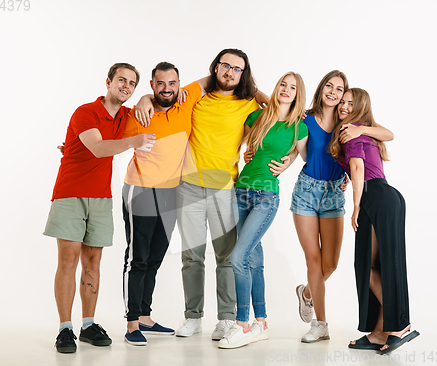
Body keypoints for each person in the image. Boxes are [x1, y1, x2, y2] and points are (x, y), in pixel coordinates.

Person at [44, 63, 155, 354]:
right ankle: (65, 328)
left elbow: (159, 104)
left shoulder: (129, 115)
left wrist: (145, 99)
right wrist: (134, 142)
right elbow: (98, 148)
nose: (126, 86)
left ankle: (88, 325)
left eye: (132, 84)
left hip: (101, 197)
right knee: (68, 261)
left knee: (93, 262)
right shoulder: (86, 112)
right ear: (108, 82)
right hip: (70, 194)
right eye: (121, 80)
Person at [174, 49, 279, 340]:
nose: (230, 72)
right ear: (216, 67)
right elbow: (171, 96)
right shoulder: (198, 96)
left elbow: (280, 115)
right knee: (192, 256)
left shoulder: (247, 104)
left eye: (238, 69)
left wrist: (255, 91)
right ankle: (193, 317)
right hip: (189, 186)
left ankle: (226, 318)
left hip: (225, 188)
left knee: (226, 257)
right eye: (226, 66)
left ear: (244, 74)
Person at [291, 70, 394, 343]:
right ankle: (320, 325)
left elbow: (386, 133)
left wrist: (362, 129)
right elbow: (289, 146)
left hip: (334, 194)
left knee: (331, 263)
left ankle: (308, 293)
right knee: (313, 261)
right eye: (329, 86)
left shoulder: (347, 123)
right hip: (306, 192)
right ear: (321, 88)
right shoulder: (305, 119)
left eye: (340, 89)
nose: (334, 92)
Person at [218, 72, 309, 349]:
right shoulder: (257, 117)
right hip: (240, 191)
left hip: (266, 196)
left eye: (292, 87)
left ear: (297, 94)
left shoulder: (299, 128)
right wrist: (246, 153)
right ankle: (262, 321)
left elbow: (308, 158)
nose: (286, 89)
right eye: (283, 84)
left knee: (238, 256)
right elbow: (241, 148)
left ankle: (242, 324)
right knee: (254, 260)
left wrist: (289, 160)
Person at [329, 88, 419, 354]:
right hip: (383, 195)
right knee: (374, 264)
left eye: (350, 103)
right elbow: (358, 164)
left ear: (360, 107)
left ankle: (400, 324)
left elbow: (358, 167)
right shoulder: (360, 128)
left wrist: (356, 206)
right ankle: (380, 332)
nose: (343, 106)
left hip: (375, 196)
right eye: (342, 102)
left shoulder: (353, 129)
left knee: (368, 265)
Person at [121, 62, 203, 346]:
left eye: (172, 83)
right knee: (138, 258)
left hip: (171, 192)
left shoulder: (186, 101)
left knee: (155, 256)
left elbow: (214, 79)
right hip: (141, 190)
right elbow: (106, 133)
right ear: (152, 86)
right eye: (160, 84)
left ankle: (145, 315)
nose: (167, 89)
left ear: (179, 83)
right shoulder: (138, 113)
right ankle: (132, 322)